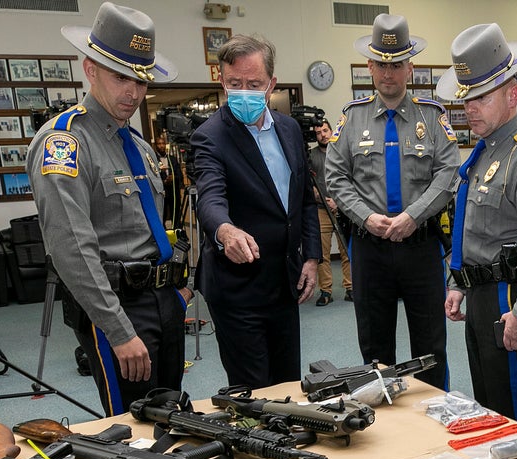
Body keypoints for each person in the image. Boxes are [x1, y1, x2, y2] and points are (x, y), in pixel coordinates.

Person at [27, 2, 191, 417]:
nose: (133, 93)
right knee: (134, 426)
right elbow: (72, 248)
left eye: (140, 81)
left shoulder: (136, 145)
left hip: (163, 300)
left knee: (171, 417)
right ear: (90, 69)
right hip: (116, 306)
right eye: (121, 77)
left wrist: (179, 293)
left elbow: (158, 227)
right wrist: (118, 330)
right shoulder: (65, 143)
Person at [437, 23, 517, 432]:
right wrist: (458, 281)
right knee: (489, 409)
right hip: (481, 296)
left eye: (481, 97)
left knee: (516, 416)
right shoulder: (482, 154)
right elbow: (473, 229)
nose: (469, 108)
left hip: (512, 297)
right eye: (466, 99)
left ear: (512, 95)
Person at [325, 14, 459, 389]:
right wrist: (366, 217)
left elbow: (448, 175)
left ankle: (433, 416)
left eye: (396, 64)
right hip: (370, 249)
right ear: (369, 65)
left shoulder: (432, 118)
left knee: (430, 347)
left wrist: (414, 216)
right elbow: (335, 177)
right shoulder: (351, 119)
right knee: (375, 349)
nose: (388, 72)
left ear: (409, 68)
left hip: (421, 246)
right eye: (381, 64)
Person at [191, 33, 320, 389]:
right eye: (235, 84)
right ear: (221, 80)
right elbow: (210, 197)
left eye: (254, 84)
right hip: (237, 286)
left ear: (271, 83)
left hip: (283, 281)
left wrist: (311, 257)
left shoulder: (290, 130)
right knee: (253, 391)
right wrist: (224, 230)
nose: (244, 92)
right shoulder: (210, 136)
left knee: (288, 385)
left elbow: (304, 200)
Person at [309, 119, 352, 306]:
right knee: (322, 253)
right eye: (318, 133)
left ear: (332, 130)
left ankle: (351, 288)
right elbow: (305, 183)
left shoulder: (342, 152)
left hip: (344, 209)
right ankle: (325, 291)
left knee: (347, 250)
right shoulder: (310, 156)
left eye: (325, 130)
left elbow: (352, 178)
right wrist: (318, 196)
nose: (323, 135)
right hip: (320, 210)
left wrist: (338, 201)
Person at [153, 132, 179, 227]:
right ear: (156, 146)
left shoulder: (172, 159)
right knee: (162, 214)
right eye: (159, 144)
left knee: (175, 212)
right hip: (161, 191)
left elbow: (178, 174)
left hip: (173, 191)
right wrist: (163, 181)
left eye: (163, 143)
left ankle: (177, 232)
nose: (162, 146)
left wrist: (173, 178)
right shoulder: (153, 159)